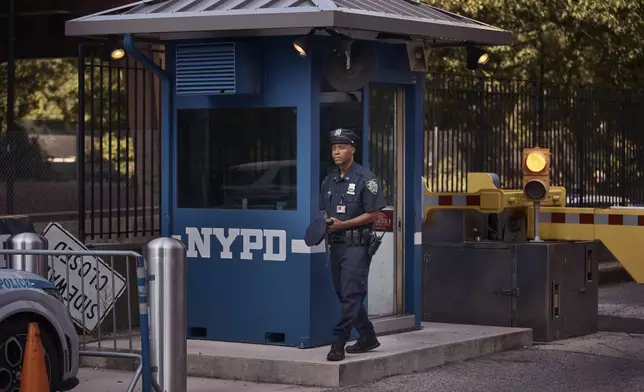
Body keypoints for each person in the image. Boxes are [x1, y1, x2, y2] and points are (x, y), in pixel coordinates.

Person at [319, 128, 387, 362]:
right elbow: (324, 210)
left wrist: (343, 225)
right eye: (334, 147)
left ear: (352, 150)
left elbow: (374, 214)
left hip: (357, 246)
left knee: (351, 294)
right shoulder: (329, 179)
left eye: (341, 147)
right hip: (336, 245)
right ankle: (367, 336)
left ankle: (338, 341)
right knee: (345, 295)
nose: (336, 151)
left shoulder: (366, 179)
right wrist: (327, 224)